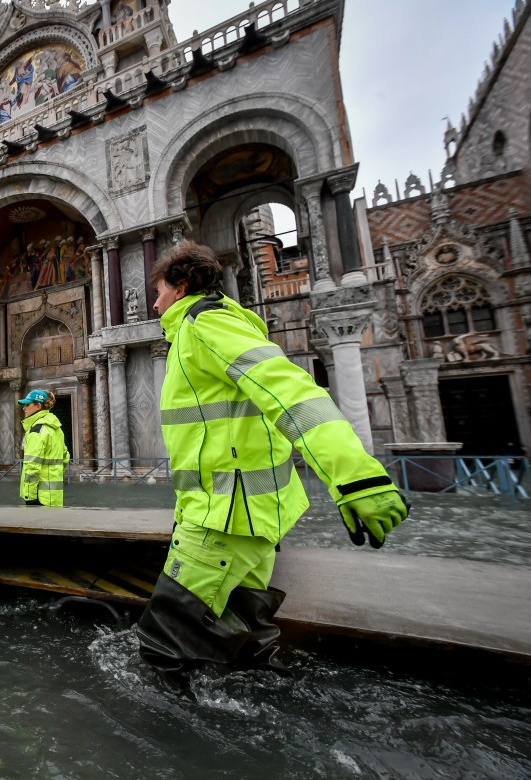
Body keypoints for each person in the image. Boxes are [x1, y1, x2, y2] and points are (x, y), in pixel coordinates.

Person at [138, 240, 409, 685]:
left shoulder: (207, 326)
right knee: (248, 649)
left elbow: (293, 392)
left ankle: (179, 748)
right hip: (249, 519)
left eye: (160, 291)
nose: (154, 301)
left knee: (163, 649)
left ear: (182, 286)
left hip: (223, 520)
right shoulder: (213, 328)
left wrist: (357, 478)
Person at [17, 389, 69, 506]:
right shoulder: (56, 429)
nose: (24, 408)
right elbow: (65, 457)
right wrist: (54, 473)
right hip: (55, 495)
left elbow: (32, 466)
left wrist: (30, 497)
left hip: (39, 497)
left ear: (38, 406)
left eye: (27, 404)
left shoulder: (37, 430)